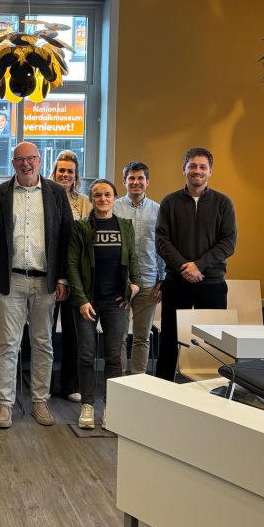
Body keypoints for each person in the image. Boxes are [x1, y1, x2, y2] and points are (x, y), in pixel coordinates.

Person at [0, 142, 72, 429]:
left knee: (43, 343)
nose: (26, 164)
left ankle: (40, 401)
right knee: (8, 344)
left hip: (46, 281)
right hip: (12, 280)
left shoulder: (56, 193)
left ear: (39, 160)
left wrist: (63, 277)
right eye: (20, 159)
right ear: (13, 163)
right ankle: (5, 404)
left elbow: (66, 239)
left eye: (31, 158)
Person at [155, 148, 237, 382]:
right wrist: (185, 267)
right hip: (176, 283)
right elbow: (161, 240)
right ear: (184, 169)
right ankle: (163, 389)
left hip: (211, 284)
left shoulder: (223, 203)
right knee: (169, 340)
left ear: (210, 171)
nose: (197, 171)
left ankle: (213, 389)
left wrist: (199, 266)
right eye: (192, 166)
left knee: (213, 343)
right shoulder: (169, 202)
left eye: (202, 167)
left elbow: (228, 242)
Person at [68, 179, 139, 429]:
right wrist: (81, 300)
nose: (103, 199)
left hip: (115, 302)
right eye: (97, 195)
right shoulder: (80, 227)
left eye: (107, 194)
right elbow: (72, 265)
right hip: (87, 302)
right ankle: (87, 405)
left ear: (114, 197)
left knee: (113, 357)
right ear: (91, 199)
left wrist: (135, 284)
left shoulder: (125, 226)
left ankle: (112, 406)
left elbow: (132, 258)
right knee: (86, 355)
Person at [113, 161, 165, 376]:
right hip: (120, 282)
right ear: (124, 181)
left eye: (140, 178)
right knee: (118, 337)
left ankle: (137, 382)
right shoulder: (114, 207)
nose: (136, 182)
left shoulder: (158, 210)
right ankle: (119, 382)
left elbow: (162, 247)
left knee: (142, 337)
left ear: (147, 181)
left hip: (148, 282)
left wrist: (163, 278)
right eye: (131, 178)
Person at [50, 150, 90, 402]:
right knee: (44, 333)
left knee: (73, 333)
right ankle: (42, 384)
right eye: (61, 170)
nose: (65, 175)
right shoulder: (44, 197)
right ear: (54, 172)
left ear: (76, 176)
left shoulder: (84, 202)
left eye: (70, 171)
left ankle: (70, 385)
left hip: (76, 276)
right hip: (49, 274)